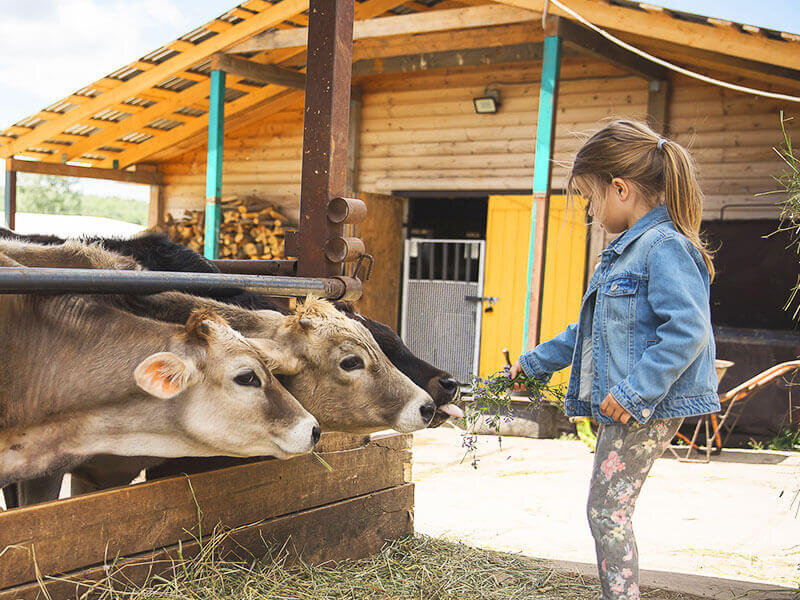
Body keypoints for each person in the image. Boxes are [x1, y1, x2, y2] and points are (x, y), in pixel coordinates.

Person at [509, 120, 720, 600]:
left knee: (608, 512)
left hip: (644, 400)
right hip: (631, 399)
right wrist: (537, 362)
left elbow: (688, 330)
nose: (589, 209)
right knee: (607, 510)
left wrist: (634, 391)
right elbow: (590, 331)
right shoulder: (627, 252)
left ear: (620, 189)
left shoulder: (663, 247)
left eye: (590, 196)